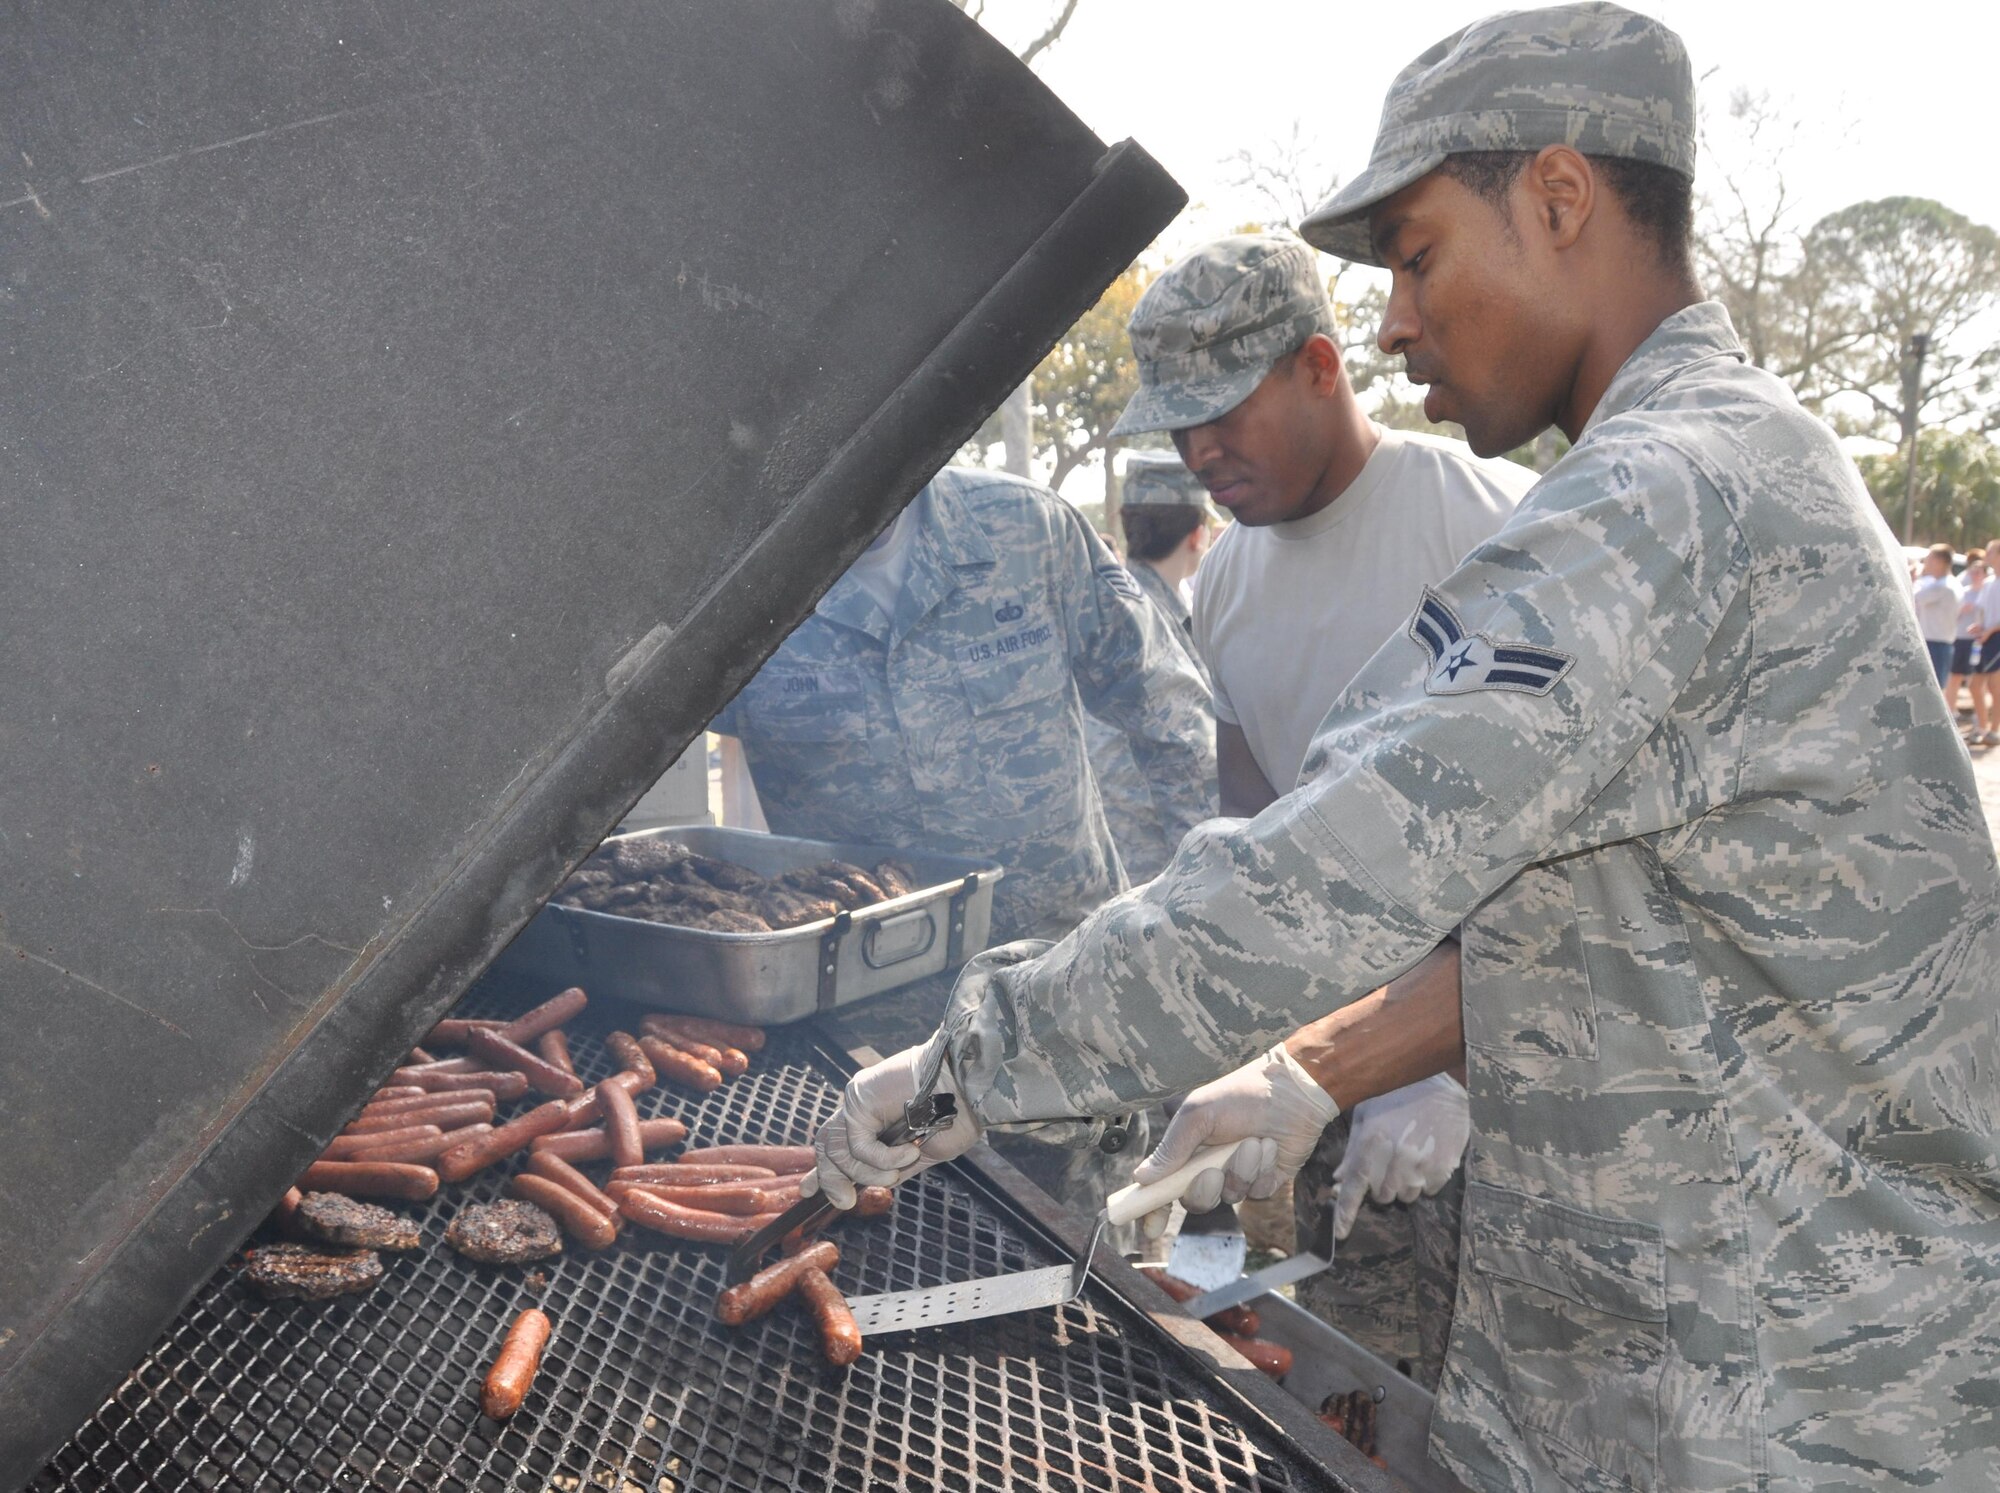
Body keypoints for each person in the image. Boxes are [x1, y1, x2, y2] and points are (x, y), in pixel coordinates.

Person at [805, 7, 2000, 1492]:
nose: (1391, 322)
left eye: (1420, 256)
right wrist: (1317, 1067)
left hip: (1787, 1396)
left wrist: (968, 1061)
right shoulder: (1729, 457)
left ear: (1560, 201)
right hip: (1719, 1360)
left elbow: (1321, 870)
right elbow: (1639, 928)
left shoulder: (1669, 496)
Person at [1108, 231, 1535, 1386]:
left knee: (1484, 1397)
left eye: (1221, 411)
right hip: (1327, 1072)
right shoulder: (1227, 577)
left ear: (1317, 365)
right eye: (1175, 423)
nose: (1197, 449)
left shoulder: (1493, 524)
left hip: (1509, 1073)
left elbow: (1577, 848)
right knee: (1342, 1381)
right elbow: (1256, 821)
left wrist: (1444, 1065)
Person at [710, 462, 1214, 1217]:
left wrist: (1190, 930)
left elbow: (1173, 721)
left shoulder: (1026, 530)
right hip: (865, 1043)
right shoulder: (734, 582)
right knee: (887, 1257)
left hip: (1061, 1014)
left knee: (1085, 1278)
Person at [1911, 543, 1960, 687]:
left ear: (1938, 561)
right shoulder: (1946, 583)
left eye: (1929, 558)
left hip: (1935, 644)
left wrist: (1913, 575)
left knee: (1931, 690)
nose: (1925, 562)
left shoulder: (1943, 587)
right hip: (1938, 644)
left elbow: (1912, 597)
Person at [1950, 550, 1986, 729]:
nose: (1974, 575)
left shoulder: (1988, 591)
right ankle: (1951, 711)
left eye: (1978, 572)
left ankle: (1980, 717)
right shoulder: (1962, 591)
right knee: (1956, 676)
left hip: (1980, 641)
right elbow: (1951, 614)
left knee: (1978, 681)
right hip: (1962, 638)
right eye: (1972, 571)